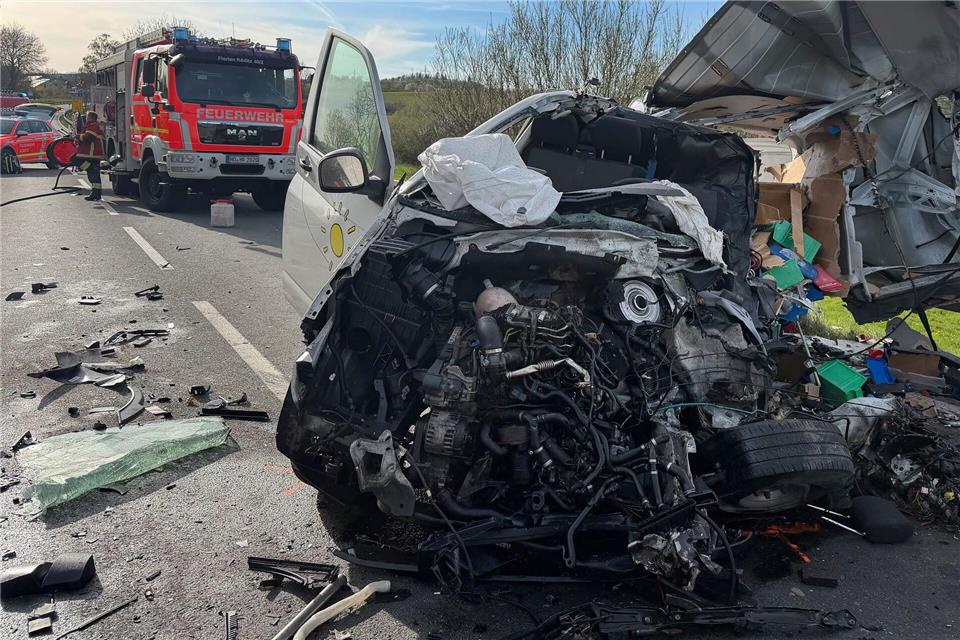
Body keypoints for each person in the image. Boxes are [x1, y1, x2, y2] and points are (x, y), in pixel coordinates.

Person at [74, 111, 105, 201]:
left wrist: (78, 136)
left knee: (75, 160)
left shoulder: (93, 126)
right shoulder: (91, 125)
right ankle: (95, 194)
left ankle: (85, 167)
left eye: (87, 117)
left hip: (92, 153)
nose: (86, 118)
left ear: (91, 118)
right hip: (91, 154)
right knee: (93, 174)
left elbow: (89, 137)